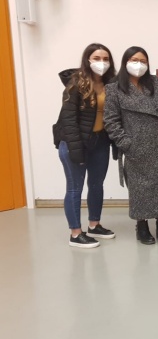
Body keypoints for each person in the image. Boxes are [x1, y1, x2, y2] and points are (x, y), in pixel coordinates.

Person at [104, 46, 158, 245]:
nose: (139, 64)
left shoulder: (155, 83)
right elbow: (111, 121)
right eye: (135, 60)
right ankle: (141, 226)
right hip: (137, 146)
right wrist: (126, 143)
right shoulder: (114, 88)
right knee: (140, 190)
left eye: (143, 61)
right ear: (125, 62)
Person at [55, 43, 116, 248]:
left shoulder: (111, 84)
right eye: (97, 58)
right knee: (74, 188)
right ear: (87, 60)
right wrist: (75, 148)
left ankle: (94, 225)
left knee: (96, 184)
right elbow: (69, 120)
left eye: (105, 59)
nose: (102, 63)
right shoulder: (75, 84)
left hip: (100, 141)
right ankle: (75, 233)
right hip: (75, 142)